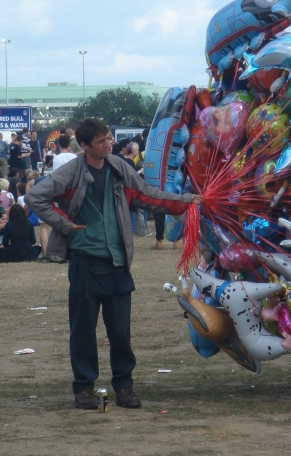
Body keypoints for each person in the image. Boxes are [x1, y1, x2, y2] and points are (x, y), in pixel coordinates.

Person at [25, 117, 202, 411]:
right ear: (84, 146)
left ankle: (124, 386)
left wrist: (186, 201)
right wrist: (66, 224)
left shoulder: (120, 168)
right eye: (101, 141)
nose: (108, 144)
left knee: (120, 331)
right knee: (82, 330)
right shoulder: (70, 172)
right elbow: (35, 196)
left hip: (117, 261)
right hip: (84, 261)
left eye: (108, 138)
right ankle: (84, 388)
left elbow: (150, 196)